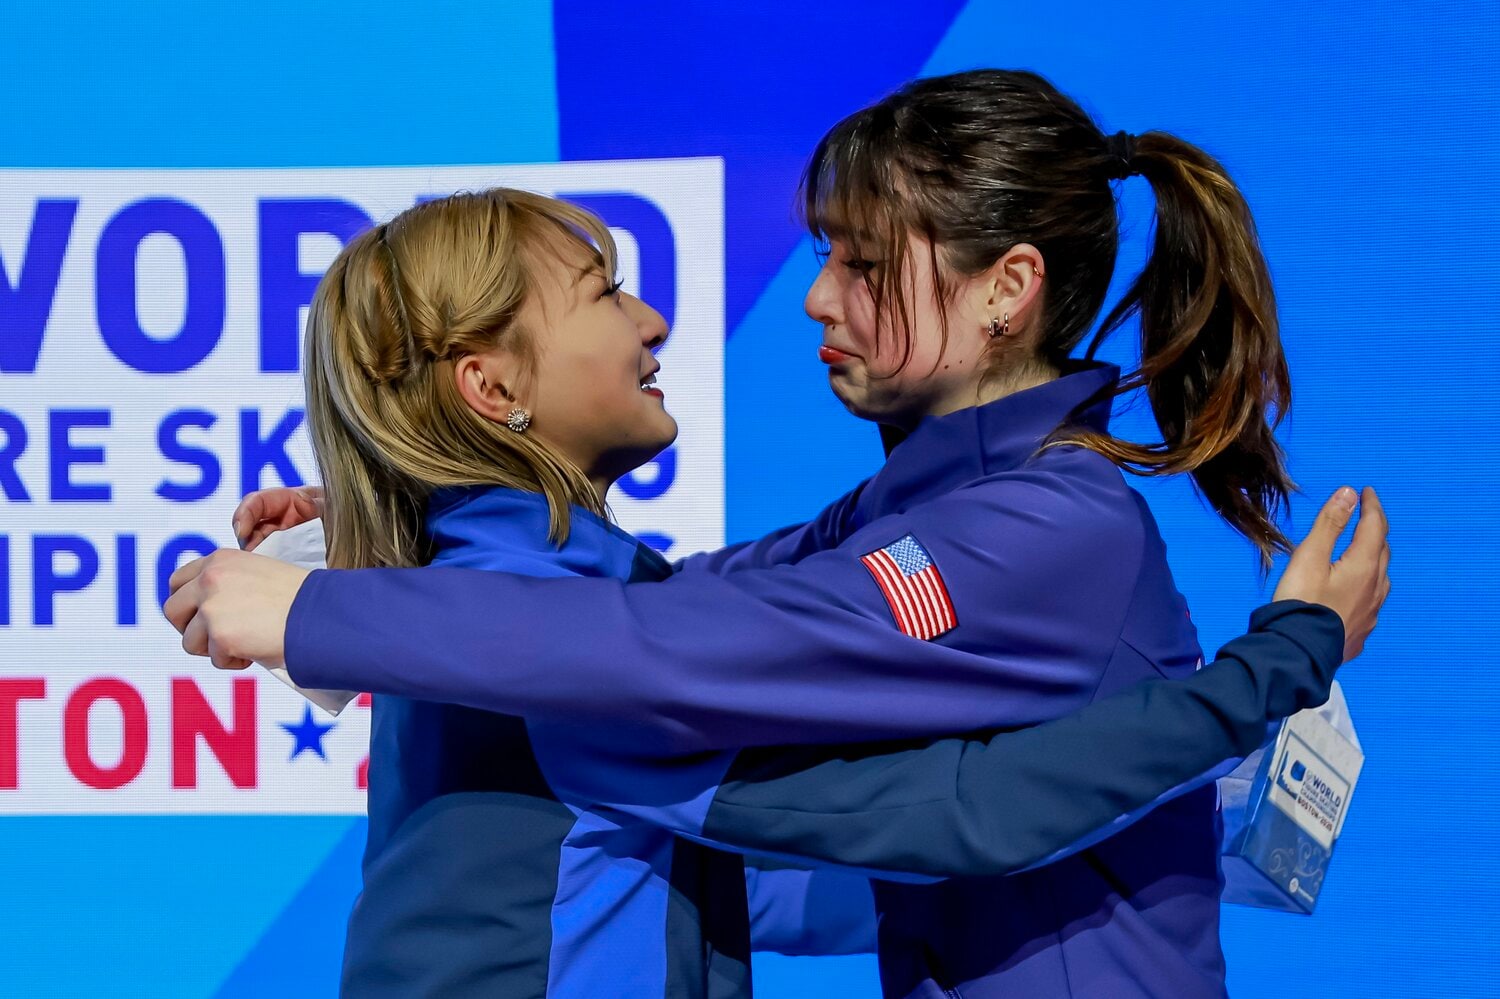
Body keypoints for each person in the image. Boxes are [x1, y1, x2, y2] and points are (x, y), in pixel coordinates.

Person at [169, 70, 1390, 999]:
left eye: (863, 263)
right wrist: (375, 542)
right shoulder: (907, 516)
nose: (816, 296)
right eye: (604, 292)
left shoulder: (1039, 523)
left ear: (1005, 289)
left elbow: (692, 643)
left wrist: (325, 607)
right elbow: (685, 621)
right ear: (494, 388)